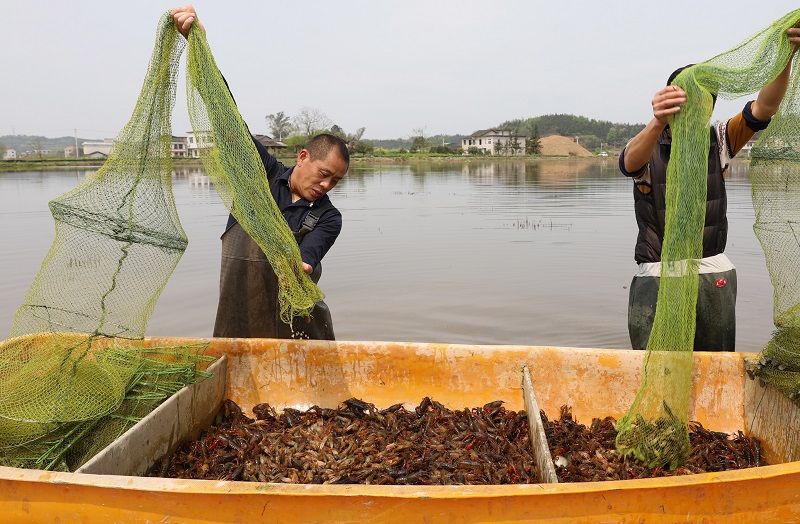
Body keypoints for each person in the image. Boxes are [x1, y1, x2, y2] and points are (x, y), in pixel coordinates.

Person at [171, 5, 349, 340]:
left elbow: (309, 258)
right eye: (324, 173)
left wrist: (299, 266)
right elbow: (230, 124)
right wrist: (202, 48)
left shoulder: (329, 217)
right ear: (303, 157)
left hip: (293, 324)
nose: (326, 185)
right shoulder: (262, 176)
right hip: (238, 314)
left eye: (335, 181)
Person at [620, 26, 800, 352]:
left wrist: (786, 57)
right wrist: (657, 121)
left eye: (702, 101)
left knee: (714, 372)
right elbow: (629, 163)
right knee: (651, 372)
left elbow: (765, 108)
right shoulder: (648, 145)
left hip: (712, 271)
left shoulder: (718, 140)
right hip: (658, 276)